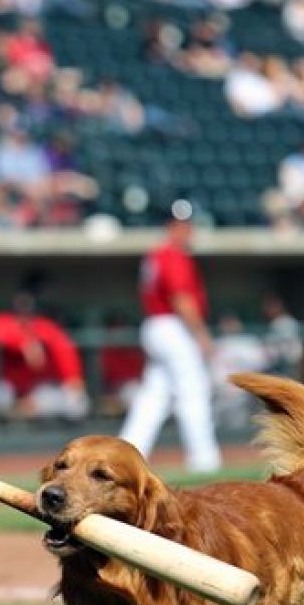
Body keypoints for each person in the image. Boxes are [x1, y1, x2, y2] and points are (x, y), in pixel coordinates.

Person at [119, 200, 221, 471]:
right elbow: (181, 299)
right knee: (193, 390)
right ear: (170, 226)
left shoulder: (156, 255)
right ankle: (204, 458)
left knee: (154, 396)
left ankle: (125, 454)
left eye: (188, 224)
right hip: (173, 326)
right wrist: (202, 336)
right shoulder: (172, 255)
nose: (188, 230)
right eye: (182, 225)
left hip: (157, 326)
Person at [0, 292, 89, 421]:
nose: (24, 314)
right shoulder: (1, 322)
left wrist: (72, 377)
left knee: (78, 405)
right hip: (9, 389)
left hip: (38, 390)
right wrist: (24, 345)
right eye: (19, 309)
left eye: (27, 309)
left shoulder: (44, 327)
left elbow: (64, 350)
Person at [261, 295, 303, 378]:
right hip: (274, 364)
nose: (268, 311)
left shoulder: (286, 322)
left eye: (271, 307)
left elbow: (288, 345)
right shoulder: (273, 323)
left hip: (286, 363)